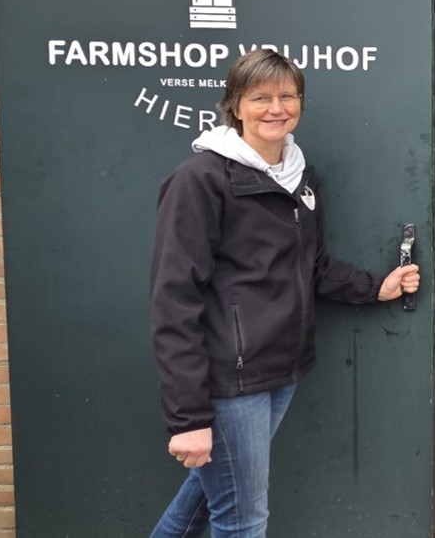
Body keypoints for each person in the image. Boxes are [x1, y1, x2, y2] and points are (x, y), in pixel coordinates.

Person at [149, 48, 421, 537]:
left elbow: (309, 264)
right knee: (242, 521)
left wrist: (374, 287)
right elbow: (174, 299)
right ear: (235, 105)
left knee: (201, 503)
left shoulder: (300, 176)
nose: (277, 108)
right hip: (229, 381)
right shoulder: (202, 179)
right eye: (260, 98)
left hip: (282, 369)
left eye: (287, 96)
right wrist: (187, 417)